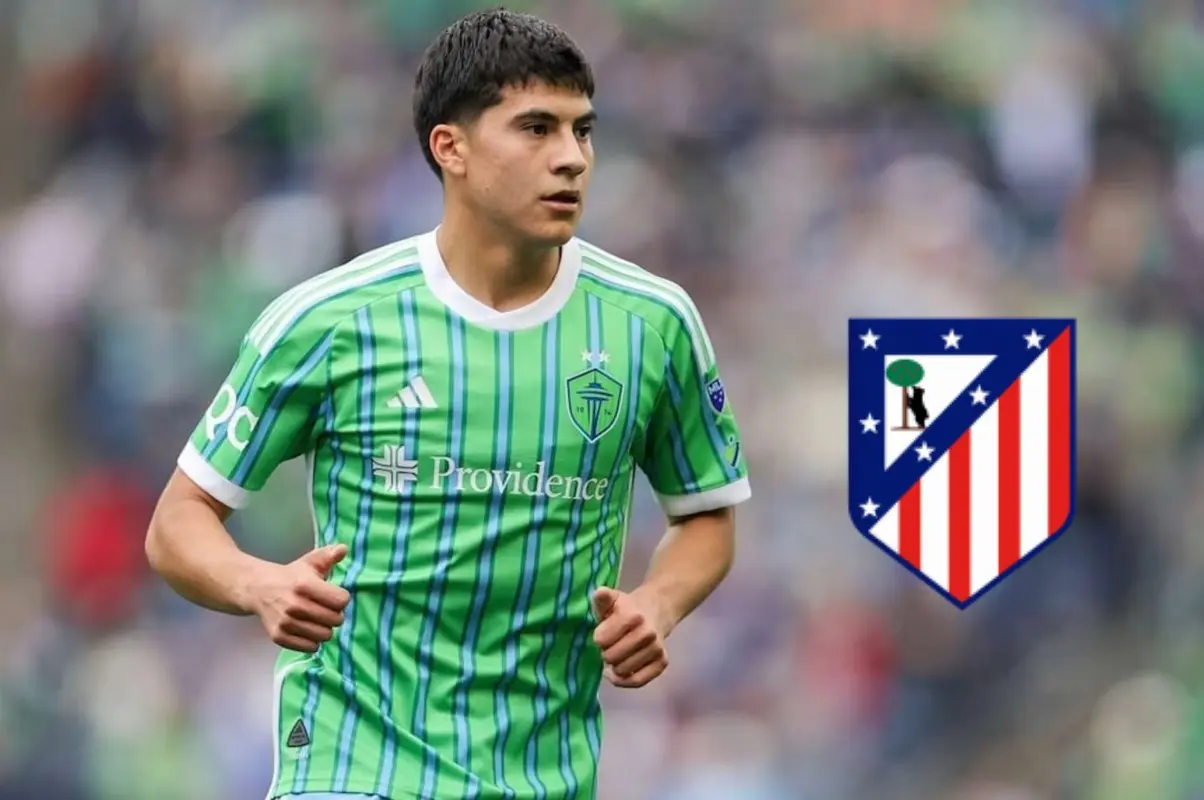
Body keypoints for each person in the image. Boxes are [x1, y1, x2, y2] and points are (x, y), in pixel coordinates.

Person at [145, 8, 751, 800]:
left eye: (583, 130)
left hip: (542, 775)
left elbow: (706, 514)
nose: (571, 158)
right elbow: (177, 523)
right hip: (351, 765)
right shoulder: (331, 320)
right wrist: (259, 584)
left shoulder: (652, 324)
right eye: (536, 128)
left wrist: (659, 604)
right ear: (450, 148)